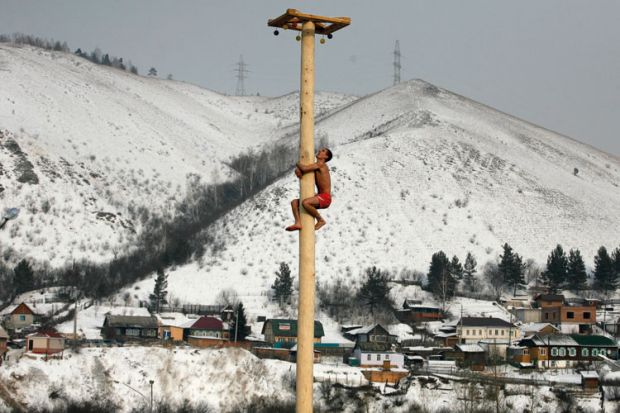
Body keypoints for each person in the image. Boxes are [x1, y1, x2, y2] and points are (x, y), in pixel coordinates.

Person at [286, 147, 333, 231]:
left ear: (326, 157)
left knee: (305, 203)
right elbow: (303, 171)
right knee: (294, 203)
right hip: (320, 196)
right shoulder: (316, 166)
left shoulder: (321, 164)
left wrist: (297, 163)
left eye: (323, 151)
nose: (319, 151)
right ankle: (298, 223)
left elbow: (304, 168)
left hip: (325, 198)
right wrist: (298, 171)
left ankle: (320, 220)